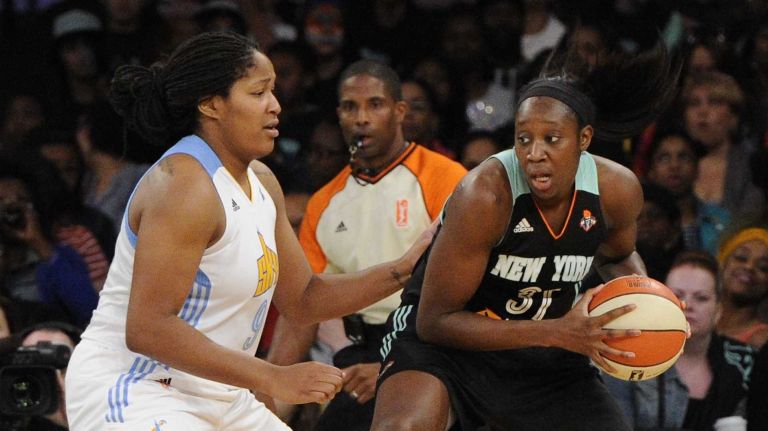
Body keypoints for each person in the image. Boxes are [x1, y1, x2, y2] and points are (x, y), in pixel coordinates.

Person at [63, 31, 432, 431]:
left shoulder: (261, 180)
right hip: (139, 385)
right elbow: (148, 328)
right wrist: (274, 376)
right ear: (211, 104)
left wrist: (406, 267)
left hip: (221, 391)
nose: (275, 106)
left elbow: (304, 299)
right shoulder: (183, 184)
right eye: (258, 93)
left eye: (273, 91)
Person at [370, 42, 680, 431]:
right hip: (450, 349)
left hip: (548, 356)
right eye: (523, 138)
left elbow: (617, 257)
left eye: (552, 138)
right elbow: (435, 321)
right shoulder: (486, 194)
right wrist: (555, 331)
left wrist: (647, 301)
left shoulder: (616, 190)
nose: (534, 153)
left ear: (583, 139)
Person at [267, 59, 467, 431]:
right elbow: (302, 309)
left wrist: (395, 363)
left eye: (375, 104)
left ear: (399, 111)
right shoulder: (324, 203)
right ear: (338, 115)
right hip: (353, 353)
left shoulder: (447, 179)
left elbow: (465, 293)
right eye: (349, 107)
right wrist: (269, 400)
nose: (361, 118)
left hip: (431, 347)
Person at [604, 250, 755, 430]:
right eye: (677, 295)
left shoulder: (743, 366)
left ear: (718, 311)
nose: (688, 305)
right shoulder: (628, 358)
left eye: (701, 298)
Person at [715, 223, 768, 349]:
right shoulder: (690, 322)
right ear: (722, 264)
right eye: (741, 258)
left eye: (763, 267)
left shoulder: (763, 341)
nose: (749, 267)